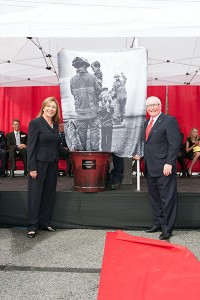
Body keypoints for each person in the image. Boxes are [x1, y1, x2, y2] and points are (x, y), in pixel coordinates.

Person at [134, 96, 181, 240]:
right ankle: (158, 223)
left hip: (164, 168)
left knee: (167, 199)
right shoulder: (146, 123)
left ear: (160, 106)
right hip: (150, 168)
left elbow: (175, 143)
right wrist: (140, 156)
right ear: (147, 109)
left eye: (154, 105)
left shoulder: (169, 121)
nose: (152, 108)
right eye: (149, 106)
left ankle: (167, 229)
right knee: (155, 199)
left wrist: (169, 163)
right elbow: (148, 145)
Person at [27, 97, 61, 238]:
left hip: (53, 163)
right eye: (49, 106)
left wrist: (72, 150)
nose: (51, 109)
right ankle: (32, 226)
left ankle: (45, 222)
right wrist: (32, 167)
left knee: (49, 194)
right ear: (43, 107)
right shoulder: (35, 123)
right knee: (35, 195)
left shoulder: (55, 124)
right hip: (39, 164)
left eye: (53, 107)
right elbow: (31, 146)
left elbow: (57, 146)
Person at [70, 56, 102, 151]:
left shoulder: (72, 80)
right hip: (93, 112)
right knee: (94, 130)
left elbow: (73, 93)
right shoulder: (92, 77)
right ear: (86, 65)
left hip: (80, 112)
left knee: (82, 132)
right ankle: (94, 151)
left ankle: (83, 151)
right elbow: (99, 90)